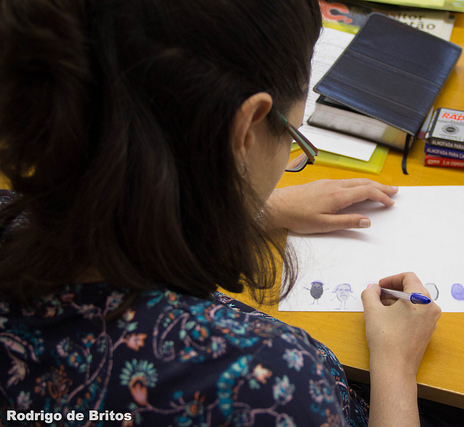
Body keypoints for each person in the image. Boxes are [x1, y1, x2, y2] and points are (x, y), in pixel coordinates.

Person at [0, 0, 441, 426]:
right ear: (246, 129)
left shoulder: (13, 220)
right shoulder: (268, 387)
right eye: (294, 136)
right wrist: (396, 365)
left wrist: (257, 209)